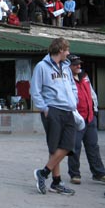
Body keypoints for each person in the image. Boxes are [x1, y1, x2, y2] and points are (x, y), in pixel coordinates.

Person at [31, 37, 77, 195]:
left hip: (68, 109)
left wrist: (74, 99)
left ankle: (43, 173)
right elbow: (35, 90)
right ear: (60, 50)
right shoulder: (41, 67)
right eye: (67, 50)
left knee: (68, 145)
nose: (68, 53)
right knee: (55, 147)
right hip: (53, 110)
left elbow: (72, 85)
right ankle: (56, 182)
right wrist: (45, 108)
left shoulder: (66, 67)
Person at [66, 55, 105, 185]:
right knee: (75, 147)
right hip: (76, 118)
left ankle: (99, 173)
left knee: (93, 146)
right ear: (68, 66)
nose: (79, 66)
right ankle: (74, 174)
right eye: (75, 64)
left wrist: (95, 109)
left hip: (90, 117)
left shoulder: (85, 76)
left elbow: (92, 94)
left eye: (79, 64)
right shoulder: (66, 79)